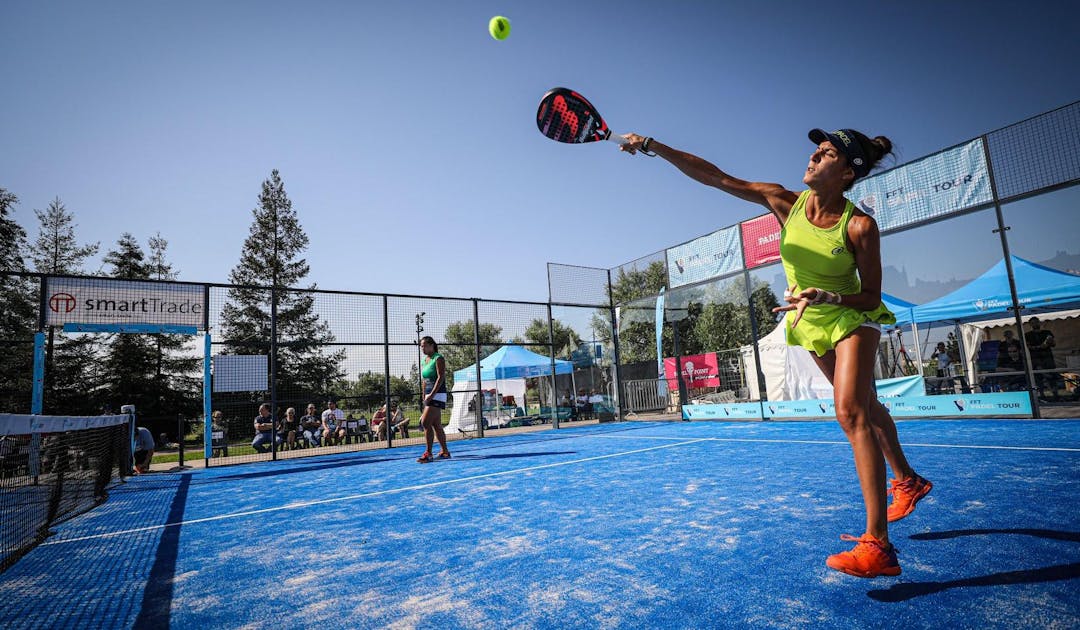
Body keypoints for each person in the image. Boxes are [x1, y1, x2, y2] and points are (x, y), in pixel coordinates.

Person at [619, 127, 930, 578]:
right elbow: (716, 177)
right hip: (810, 319)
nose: (813, 157)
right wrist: (652, 146)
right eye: (816, 150)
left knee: (850, 413)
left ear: (846, 173)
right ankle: (909, 480)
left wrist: (829, 297)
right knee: (866, 405)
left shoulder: (860, 225)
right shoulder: (784, 202)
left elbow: (871, 296)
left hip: (851, 316)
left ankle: (878, 545)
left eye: (825, 154)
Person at [416, 336, 450, 463]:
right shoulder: (425, 360)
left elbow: (440, 378)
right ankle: (445, 452)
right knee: (436, 425)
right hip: (429, 395)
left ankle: (428, 453)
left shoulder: (438, 358)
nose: (422, 348)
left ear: (431, 345)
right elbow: (425, 380)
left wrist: (432, 394)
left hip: (438, 394)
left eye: (424, 345)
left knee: (425, 422)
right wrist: (424, 395)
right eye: (421, 346)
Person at [1025, 317, 1058, 398]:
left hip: (1048, 358)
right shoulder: (1027, 335)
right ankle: (1041, 395)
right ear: (1030, 324)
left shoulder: (1047, 332)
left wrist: (1049, 342)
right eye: (1032, 323)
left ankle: (1055, 394)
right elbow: (1027, 347)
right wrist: (1040, 347)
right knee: (1038, 377)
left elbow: (1054, 344)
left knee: (1052, 376)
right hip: (1035, 359)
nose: (1035, 324)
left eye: (1036, 322)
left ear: (1039, 322)